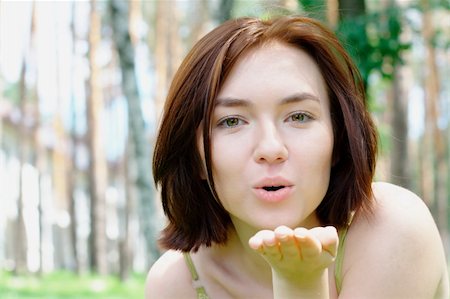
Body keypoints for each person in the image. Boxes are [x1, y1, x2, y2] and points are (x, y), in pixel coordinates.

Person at [145, 15, 449, 299]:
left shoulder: (392, 227)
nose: (270, 149)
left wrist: (300, 282)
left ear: (339, 140)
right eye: (232, 121)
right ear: (195, 156)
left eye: (299, 116)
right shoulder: (176, 283)